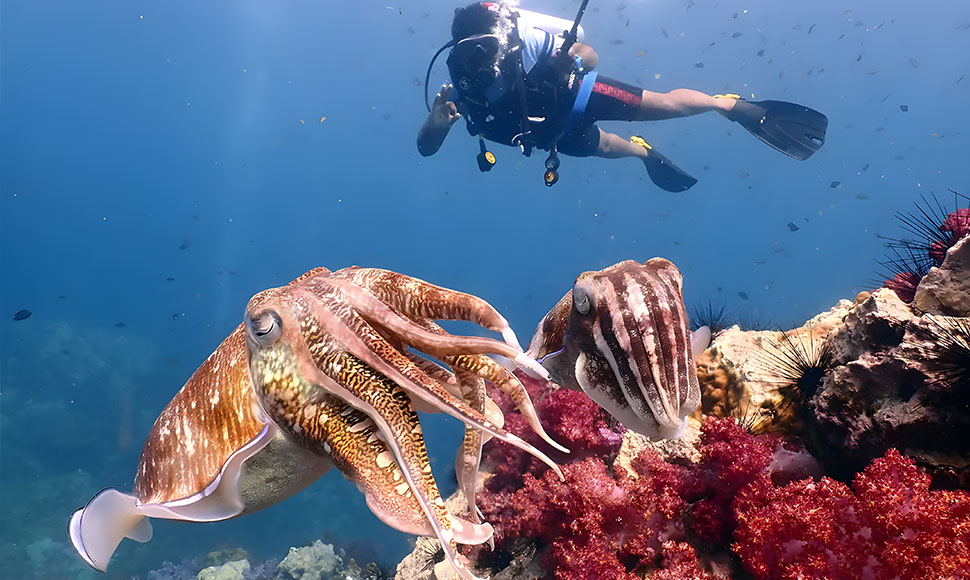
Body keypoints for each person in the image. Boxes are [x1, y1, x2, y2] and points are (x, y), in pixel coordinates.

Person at [416, 1, 828, 192]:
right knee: (612, 147)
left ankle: (725, 104)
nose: (478, 59)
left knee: (663, 104)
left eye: (485, 46)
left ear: (500, 35)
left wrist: (571, 63)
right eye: (468, 51)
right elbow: (425, 149)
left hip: (579, 97)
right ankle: (644, 154)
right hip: (548, 137)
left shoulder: (523, 34)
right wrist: (435, 124)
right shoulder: (456, 86)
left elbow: (589, 54)